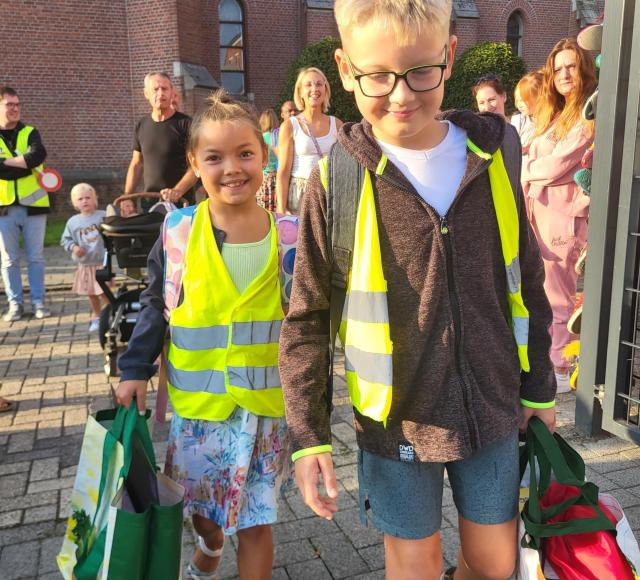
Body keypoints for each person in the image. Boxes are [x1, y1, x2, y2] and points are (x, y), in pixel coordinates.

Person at [279, 1, 557, 579]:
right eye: (377, 76)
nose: (401, 95)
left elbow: (527, 278)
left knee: (494, 565)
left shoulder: (495, 151)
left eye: (420, 72)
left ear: (449, 55)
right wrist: (308, 438)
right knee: (414, 569)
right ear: (344, 68)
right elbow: (305, 317)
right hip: (395, 424)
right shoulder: (337, 180)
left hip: (493, 409)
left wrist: (540, 390)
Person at [115, 90, 296, 580]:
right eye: (214, 157)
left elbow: (306, 327)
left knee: (256, 522)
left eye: (245, 153)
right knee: (202, 511)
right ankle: (210, 548)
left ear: (265, 156)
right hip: (198, 411)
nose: (232, 168)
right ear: (194, 163)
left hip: (263, 411)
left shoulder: (291, 238)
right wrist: (133, 368)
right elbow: (156, 304)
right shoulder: (178, 232)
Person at [521, 38, 596, 393]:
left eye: (571, 67)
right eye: (558, 68)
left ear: (583, 70)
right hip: (538, 211)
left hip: (562, 216)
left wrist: (525, 168)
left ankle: (560, 369)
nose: (564, 74)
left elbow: (558, 164)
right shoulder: (553, 114)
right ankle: (548, 360)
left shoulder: (586, 115)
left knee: (559, 293)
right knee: (541, 290)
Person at [0, 86, 50, 322]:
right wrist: (21, 165)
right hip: (3, 207)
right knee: (9, 259)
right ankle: (15, 304)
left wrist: (6, 162)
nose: (15, 109)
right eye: (9, 104)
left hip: (34, 204)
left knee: (35, 257)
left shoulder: (30, 132)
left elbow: (36, 157)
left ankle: (39, 302)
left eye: (17, 104)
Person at [124, 72, 197, 210]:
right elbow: (136, 164)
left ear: (171, 92)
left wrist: (178, 191)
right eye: (155, 89)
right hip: (150, 204)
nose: (160, 93)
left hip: (181, 204)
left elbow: (196, 165)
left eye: (165, 89)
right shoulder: (141, 125)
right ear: (146, 93)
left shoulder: (186, 124)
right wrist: (127, 196)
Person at [275, 68, 342, 213]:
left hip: (329, 193)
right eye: (308, 85)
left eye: (319, 84)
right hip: (300, 194)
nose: (314, 89)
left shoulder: (337, 124)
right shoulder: (290, 126)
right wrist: (280, 212)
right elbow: (283, 172)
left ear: (325, 89)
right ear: (300, 92)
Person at [60, 183, 108, 332]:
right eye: (80, 199)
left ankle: (109, 314)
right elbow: (65, 240)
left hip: (102, 263)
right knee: (91, 293)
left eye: (88, 197)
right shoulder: (73, 222)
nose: (85, 201)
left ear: (95, 199)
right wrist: (74, 247)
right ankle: (97, 316)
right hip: (85, 265)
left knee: (104, 292)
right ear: (75, 203)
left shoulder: (103, 216)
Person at [510, 72, 543, 155]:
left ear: (539, 98)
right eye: (517, 100)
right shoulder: (518, 120)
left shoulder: (551, 122)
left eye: (522, 101)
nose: (518, 105)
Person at [257, 109, 279, 211]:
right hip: (278, 176)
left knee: (263, 208)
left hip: (264, 177)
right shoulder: (278, 137)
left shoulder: (260, 139)